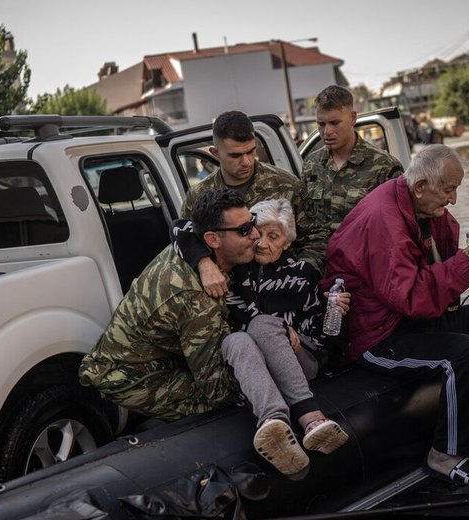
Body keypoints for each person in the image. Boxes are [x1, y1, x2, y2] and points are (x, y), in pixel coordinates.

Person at [323, 144, 469, 485]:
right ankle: (444, 454)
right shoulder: (384, 221)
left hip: (406, 319)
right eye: (449, 190)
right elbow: (411, 297)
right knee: (463, 354)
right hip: (377, 334)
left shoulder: (417, 205)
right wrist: (464, 266)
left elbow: (441, 257)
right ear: (420, 187)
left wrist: (467, 257)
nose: (453, 199)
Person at [79, 188, 258, 420]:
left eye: (253, 222)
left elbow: (183, 226)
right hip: (132, 377)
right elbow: (215, 387)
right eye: (244, 230)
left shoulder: (190, 250)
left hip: (161, 356)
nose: (255, 235)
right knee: (227, 406)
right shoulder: (197, 300)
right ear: (212, 239)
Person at [218, 198, 350, 476]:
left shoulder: (301, 275)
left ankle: (311, 418)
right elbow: (182, 230)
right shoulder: (235, 267)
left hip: (299, 362)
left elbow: (322, 340)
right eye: (257, 233)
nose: (262, 243)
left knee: (263, 325)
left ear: (287, 242)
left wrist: (331, 314)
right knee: (235, 340)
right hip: (252, 364)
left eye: (273, 236)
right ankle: (273, 424)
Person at [180, 110, 307, 298]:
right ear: (215, 153)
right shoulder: (199, 196)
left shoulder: (285, 184)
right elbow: (185, 236)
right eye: (235, 155)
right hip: (228, 297)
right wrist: (203, 263)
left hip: (283, 292)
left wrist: (303, 275)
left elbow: (313, 237)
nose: (246, 161)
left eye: (251, 151)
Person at [297, 85, 405, 270]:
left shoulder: (384, 166)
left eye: (334, 123)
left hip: (366, 272)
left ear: (352, 118)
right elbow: (305, 226)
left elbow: (397, 231)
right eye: (321, 124)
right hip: (321, 270)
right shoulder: (311, 165)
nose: (327, 131)